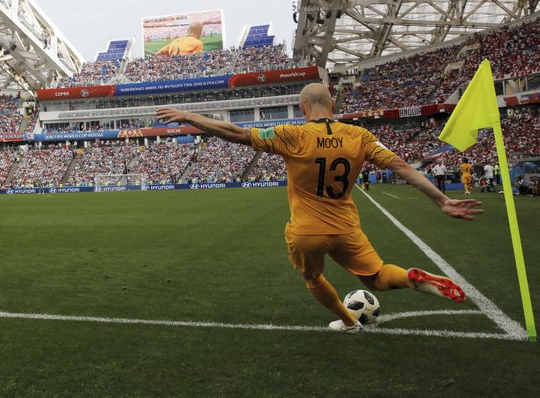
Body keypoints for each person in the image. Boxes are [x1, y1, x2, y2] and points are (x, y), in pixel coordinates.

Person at [156, 83, 483, 334]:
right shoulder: (360, 136)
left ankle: (349, 323)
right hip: (346, 228)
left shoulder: (292, 135)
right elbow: (402, 167)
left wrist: (190, 116)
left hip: (306, 231)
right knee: (377, 275)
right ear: (333, 104)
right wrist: (442, 200)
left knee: (313, 277)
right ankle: (411, 278)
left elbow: (236, 133)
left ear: (302, 107)